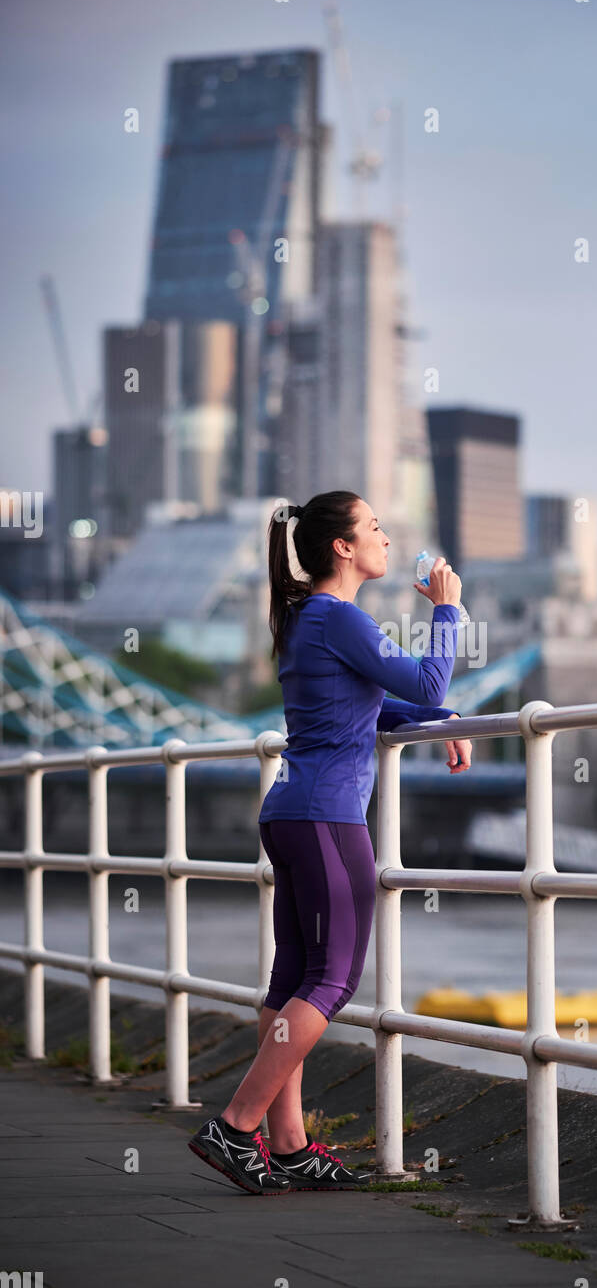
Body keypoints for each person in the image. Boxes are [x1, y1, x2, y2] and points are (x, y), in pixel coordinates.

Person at [188, 491, 471, 1193]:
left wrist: (444, 716)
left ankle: (287, 1146)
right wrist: (446, 609)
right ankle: (237, 1123)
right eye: (374, 526)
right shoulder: (338, 617)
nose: (385, 535)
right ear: (342, 548)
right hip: (328, 820)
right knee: (334, 980)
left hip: (291, 812)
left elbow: (371, 703)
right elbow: (430, 679)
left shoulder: (310, 619)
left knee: (292, 981)